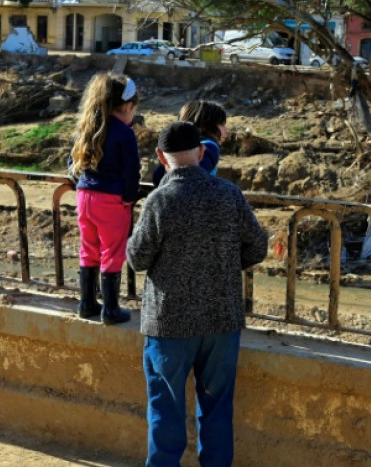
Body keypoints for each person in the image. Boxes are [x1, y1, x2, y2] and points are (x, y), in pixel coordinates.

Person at [127, 121, 268, 467]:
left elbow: (137, 258)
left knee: (165, 409)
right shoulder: (228, 194)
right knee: (217, 409)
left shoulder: (159, 201)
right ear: (202, 152)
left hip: (169, 325)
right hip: (221, 321)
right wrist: (223, 267)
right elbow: (258, 246)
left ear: (161, 158)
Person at [69, 73, 140, 324]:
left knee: (89, 249)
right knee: (113, 251)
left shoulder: (88, 126)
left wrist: (82, 185)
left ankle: (86, 303)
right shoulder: (124, 134)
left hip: (84, 195)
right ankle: (110, 309)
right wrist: (129, 199)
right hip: (111, 199)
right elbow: (132, 171)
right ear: (128, 106)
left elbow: (72, 162)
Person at [151, 100, 227, 187]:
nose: (225, 129)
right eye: (222, 124)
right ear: (207, 125)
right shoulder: (209, 145)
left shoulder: (175, 145)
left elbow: (157, 177)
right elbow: (195, 177)